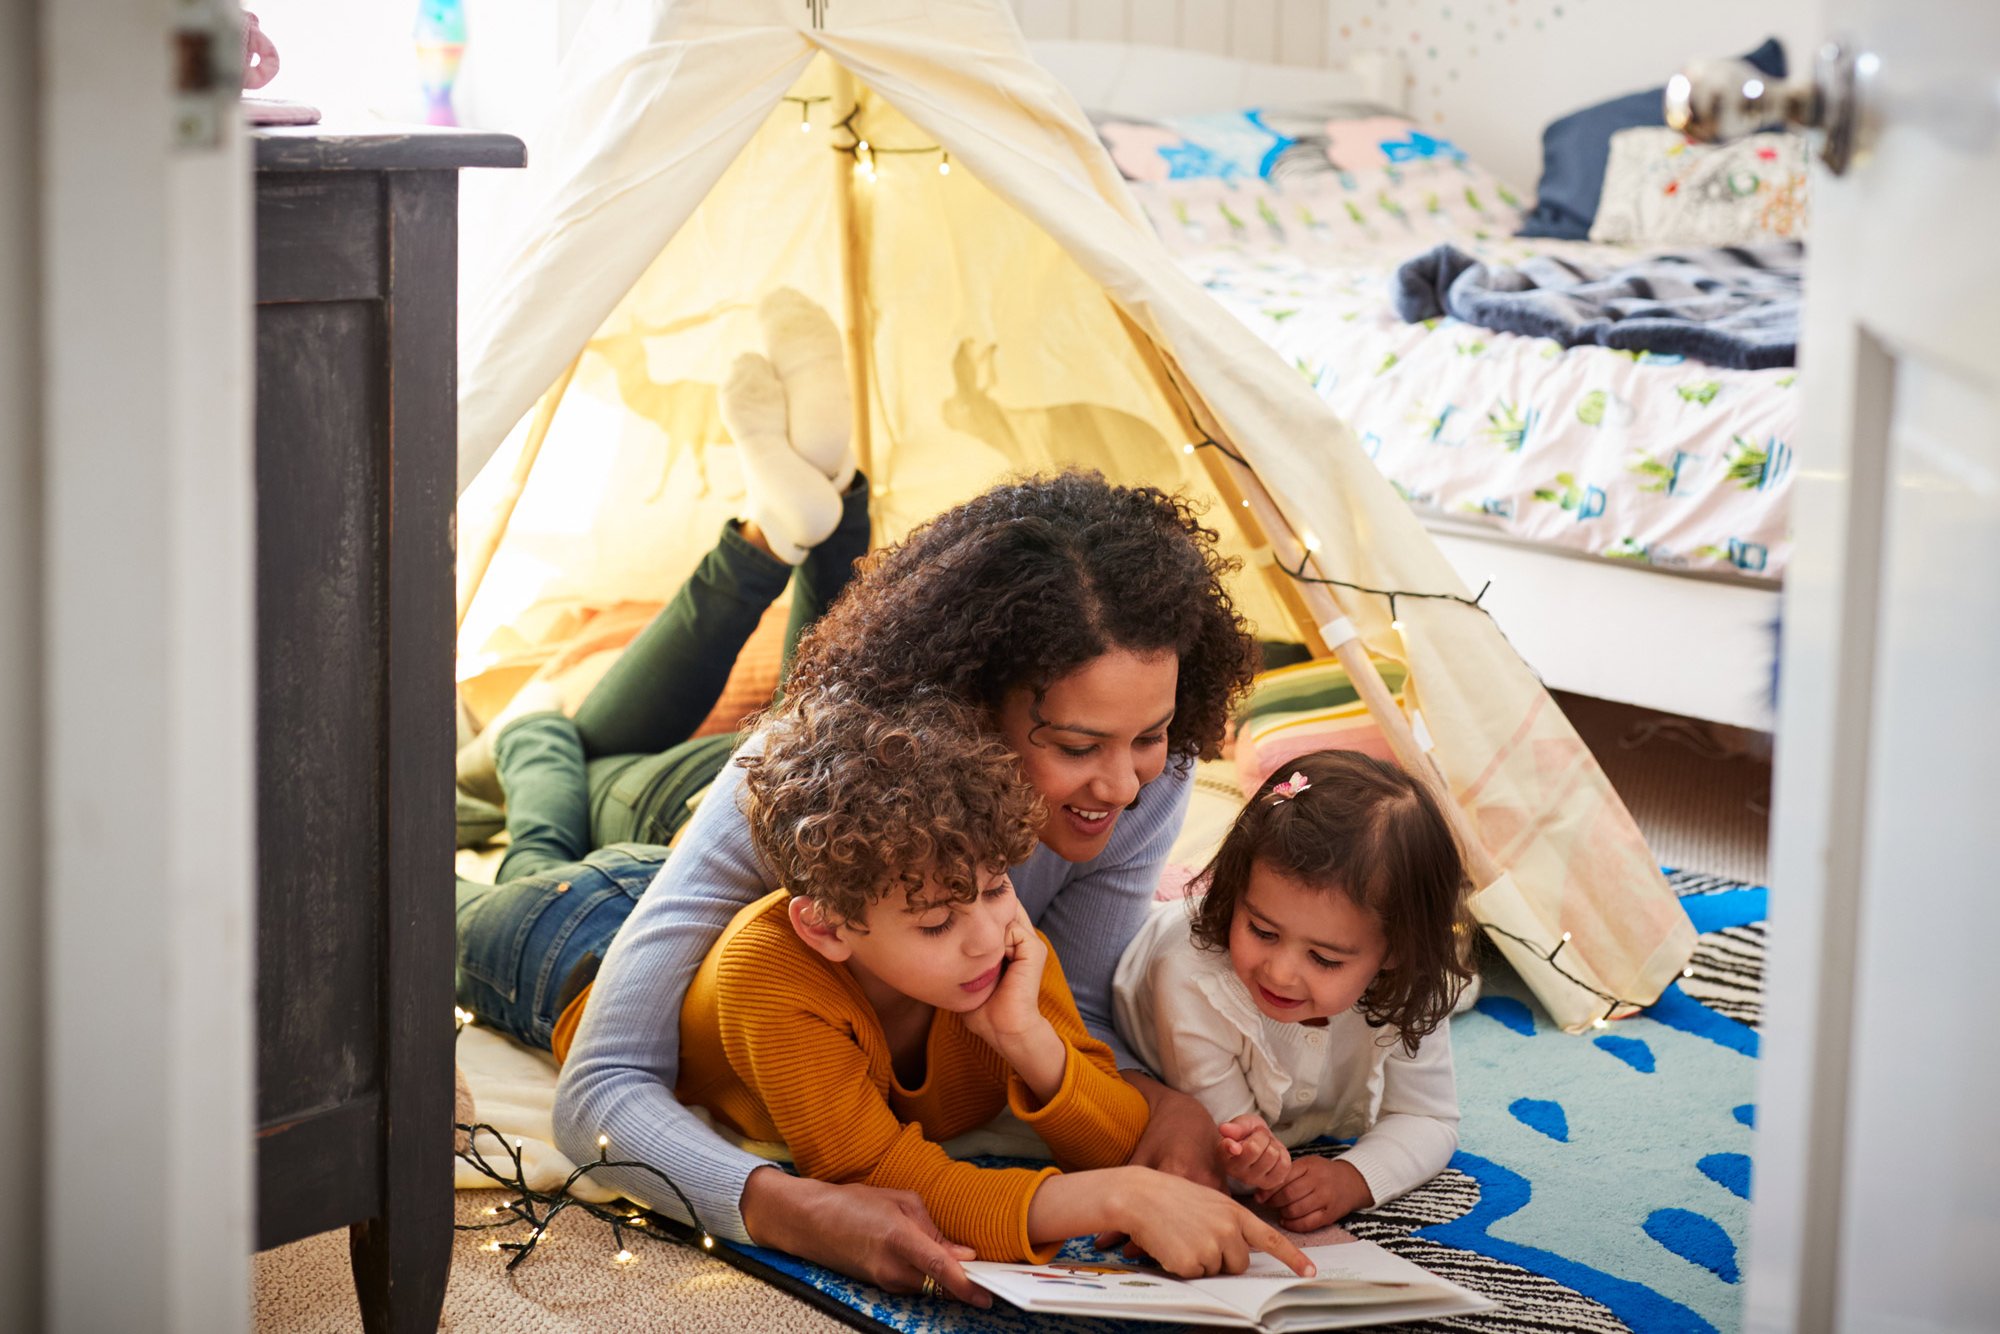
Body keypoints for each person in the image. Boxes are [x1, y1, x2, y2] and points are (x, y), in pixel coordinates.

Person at [550, 469, 1262, 1305]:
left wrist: (1160, 1103)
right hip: (594, 911)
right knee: (555, 803)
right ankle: (544, 741)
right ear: (963, 706)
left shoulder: (1148, 780)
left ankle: (823, 511)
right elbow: (600, 1089)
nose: (1126, 785)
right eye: (1076, 746)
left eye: (1151, 734)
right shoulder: (775, 781)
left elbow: (1073, 1011)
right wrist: (789, 1208)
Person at [659, 685, 1310, 1277]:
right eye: (937, 923)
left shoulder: (1005, 945)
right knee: (558, 806)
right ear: (828, 928)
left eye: (998, 886)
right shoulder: (771, 974)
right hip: (582, 932)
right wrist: (1115, 1198)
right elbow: (877, 1177)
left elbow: (1119, 1139)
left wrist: (1029, 1039)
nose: (985, 938)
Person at [456, 297, 872, 1052]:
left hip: (734, 786)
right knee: (551, 736)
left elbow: (541, 738)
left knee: (825, 703)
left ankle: (812, 518)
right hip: (726, 795)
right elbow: (536, 737)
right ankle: (778, 532)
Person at [1113, 749, 1473, 1234]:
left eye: (1324, 958)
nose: (1280, 973)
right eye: (1262, 930)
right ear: (1236, 893)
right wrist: (1250, 1158)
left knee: (1454, 986)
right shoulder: (1190, 980)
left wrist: (1353, 1177)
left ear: (1396, 951)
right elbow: (1226, 1147)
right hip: (1146, 949)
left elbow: (1429, 1118)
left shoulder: (1414, 983)